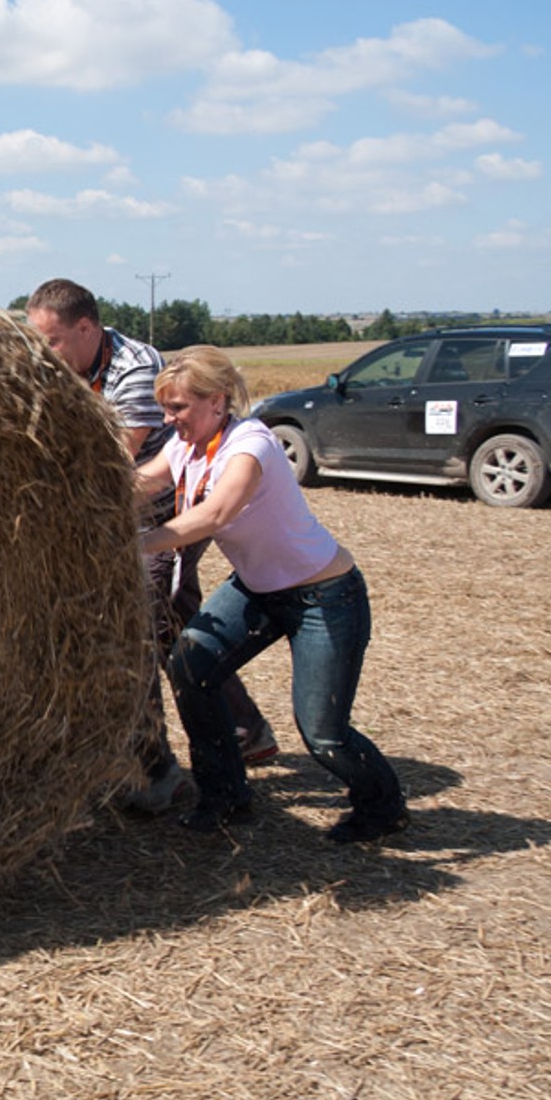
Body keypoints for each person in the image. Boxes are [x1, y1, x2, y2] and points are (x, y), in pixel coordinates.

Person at [134, 346, 410, 843]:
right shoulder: (186, 446)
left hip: (323, 596)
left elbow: (216, 514)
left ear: (216, 401)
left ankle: (383, 805)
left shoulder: (250, 445)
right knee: (190, 666)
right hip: (258, 589)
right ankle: (224, 796)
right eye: (165, 408)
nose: (168, 419)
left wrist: (138, 542)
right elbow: (139, 483)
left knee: (323, 733)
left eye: (177, 408)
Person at [24, 281, 276, 815]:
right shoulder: (61, 368)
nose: (42, 355)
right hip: (120, 506)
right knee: (177, 624)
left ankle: (154, 770)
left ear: (86, 330)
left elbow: (116, 465)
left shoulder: (134, 371)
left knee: (134, 623)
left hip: (166, 507)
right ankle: (245, 729)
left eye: (52, 342)